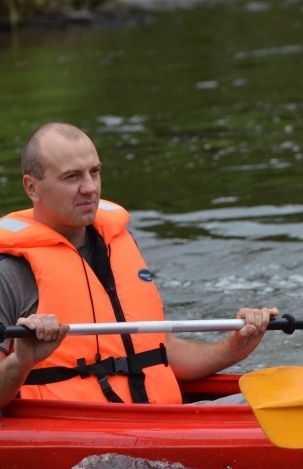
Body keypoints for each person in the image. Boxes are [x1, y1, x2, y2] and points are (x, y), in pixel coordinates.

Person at [0, 122, 277, 407]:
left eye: (94, 172)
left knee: (276, 399)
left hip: (158, 419)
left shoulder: (119, 242)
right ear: (32, 187)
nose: (90, 188)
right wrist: (23, 360)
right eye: (72, 177)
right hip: (76, 428)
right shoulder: (8, 272)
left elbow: (161, 351)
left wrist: (233, 348)